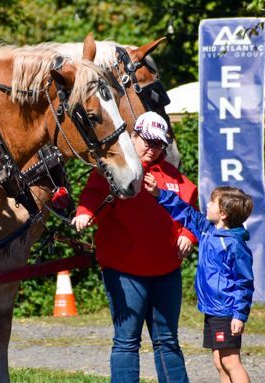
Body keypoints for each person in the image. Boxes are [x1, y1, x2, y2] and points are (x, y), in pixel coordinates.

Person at [71, 111, 198, 382]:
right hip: (124, 270)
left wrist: (189, 233)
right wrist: (84, 212)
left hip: (166, 270)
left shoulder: (173, 175)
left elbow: (192, 208)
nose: (152, 149)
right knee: (127, 341)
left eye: (159, 143)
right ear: (134, 136)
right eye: (147, 141)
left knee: (167, 341)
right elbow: (94, 195)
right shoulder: (115, 169)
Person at [144, 177, 254, 383]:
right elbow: (185, 212)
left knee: (231, 361)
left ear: (223, 214)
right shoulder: (207, 230)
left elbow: (244, 282)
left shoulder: (234, 244)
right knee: (219, 362)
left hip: (227, 311)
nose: (208, 205)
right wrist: (158, 193)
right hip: (212, 310)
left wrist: (239, 315)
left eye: (213, 203)